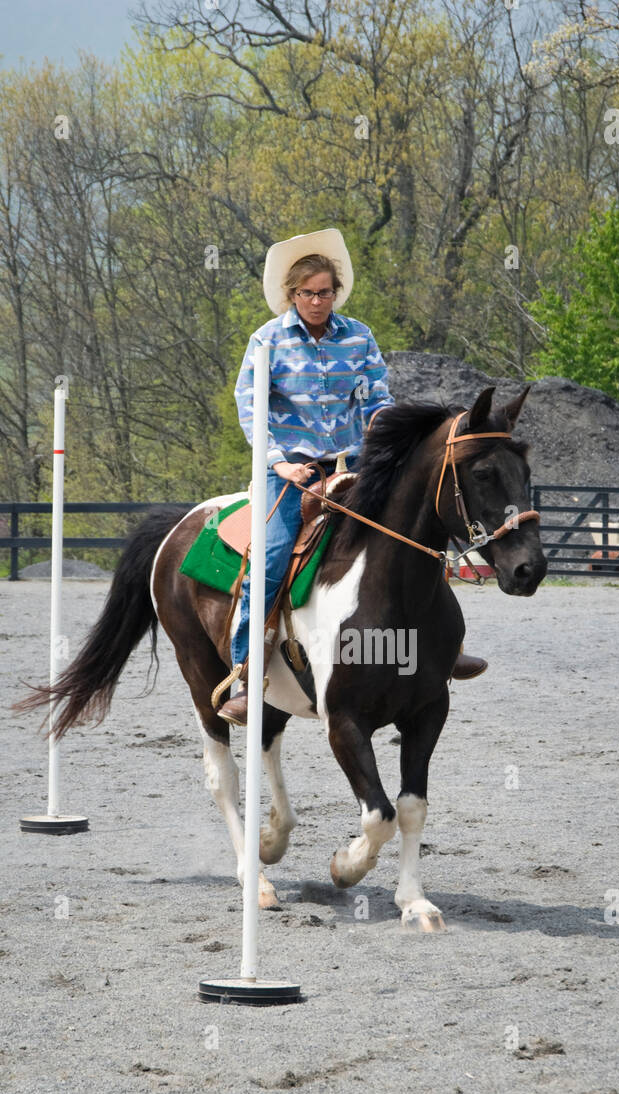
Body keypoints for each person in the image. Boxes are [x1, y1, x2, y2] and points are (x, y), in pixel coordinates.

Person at [219, 228, 487, 726]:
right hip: (291, 469)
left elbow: (376, 398)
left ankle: (447, 647)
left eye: (325, 291)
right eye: (307, 293)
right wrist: (280, 464)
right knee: (274, 554)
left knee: (419, 527)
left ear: (336, 292)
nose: (317, 301)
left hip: (354, 460)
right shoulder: (267, 341)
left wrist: (382, 436)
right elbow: (250, 408)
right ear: (291, 295)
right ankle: (246, 674)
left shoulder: (358, 336)